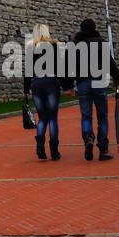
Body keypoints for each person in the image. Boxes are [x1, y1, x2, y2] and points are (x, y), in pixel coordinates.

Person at [72, 19, 119, 161]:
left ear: (81, 29)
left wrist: (68, 84)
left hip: (82, 83)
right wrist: (116, 77)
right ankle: (103, 149)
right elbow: (110, 62)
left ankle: (88, 137)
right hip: (98, 81)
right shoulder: (101, 43)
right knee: (102, 116)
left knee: (86, 115)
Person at [22, 23, 71, 161]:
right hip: (51, 82)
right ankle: (54, 151)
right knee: (53, 118)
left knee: (42, 118)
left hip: (37, 83)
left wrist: (26, 89)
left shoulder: (31, 48)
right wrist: (66, 85)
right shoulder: (54, 46)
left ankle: (40, 147)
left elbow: (28, 71)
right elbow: (60, 67)